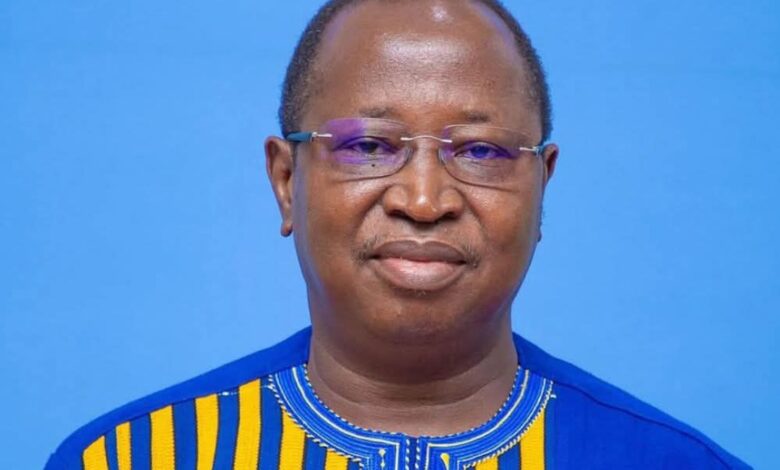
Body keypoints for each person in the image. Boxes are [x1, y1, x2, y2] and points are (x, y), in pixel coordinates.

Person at [46, 0, 750, 469]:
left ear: (542, 186)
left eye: (480, 151)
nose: (423, 200)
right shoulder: (130, 457)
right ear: (287, 179)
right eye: (367, 146)